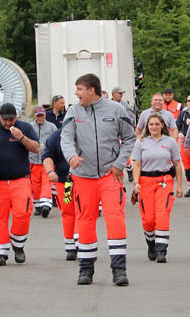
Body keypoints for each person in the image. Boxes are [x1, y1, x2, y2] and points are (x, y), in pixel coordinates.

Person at [61, 74, 137, 286]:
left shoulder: (116, 109)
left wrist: (119, 164)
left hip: (109, 175)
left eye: (79, 89)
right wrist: (71, 157)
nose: (76, 93)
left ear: (92, 90)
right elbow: (66, 138)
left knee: (115, 218)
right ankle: (85, 269)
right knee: (85, 220)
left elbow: (130, 138)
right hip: (83, 176)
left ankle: (119, 269)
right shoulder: (73, 111)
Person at [0, 102, 40, 265]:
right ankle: (0, 253)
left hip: (20, 179)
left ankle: (18, 244)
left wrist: (21, 137)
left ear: (16, 117)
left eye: (11, 119)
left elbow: (36, 148)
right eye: (5, 120)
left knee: (23, 213)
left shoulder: (25, 128)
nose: (8, 123)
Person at [131, 113, 184, 263]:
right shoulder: (140, 142)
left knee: (162, 214)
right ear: (147, 126)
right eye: (151, 124)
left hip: (164, 181)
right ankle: (151, 244)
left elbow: (177, 164)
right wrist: (136, 183)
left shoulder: (170, 142)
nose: (154, 127)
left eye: (156, 124)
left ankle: (161, 250)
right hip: (146, 181)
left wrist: (179, 186)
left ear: (162, 125)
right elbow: (137, 164)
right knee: (148, 219)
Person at [42, 118, 78, 260]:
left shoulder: (85, 134)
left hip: (85, 181)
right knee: (69, 212)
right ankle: (70, 246)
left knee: (83, 211)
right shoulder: (56, 136)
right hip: (66, 183)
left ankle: (81, 241)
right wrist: (50, 172)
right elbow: (47, 156)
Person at [29, 105, 57, 217]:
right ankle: (38, 206)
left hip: (47, 160)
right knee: (35, 185)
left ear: (45, 115)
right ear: (35, 116)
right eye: (38, 116)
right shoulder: (29, 126)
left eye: (42, 115)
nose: (40, 117)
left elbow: (55, 141)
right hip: (32, 161)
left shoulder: (51, 127)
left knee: (46, 182)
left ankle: (46, 204)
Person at [176, 94, 190, 197]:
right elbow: (176, 126)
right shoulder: (183, 113)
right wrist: (179, 133)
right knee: (187, 165)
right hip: (184, 142)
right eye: (188, 100)